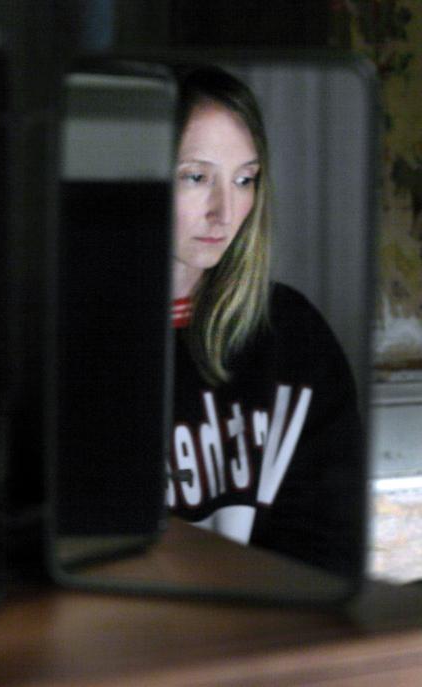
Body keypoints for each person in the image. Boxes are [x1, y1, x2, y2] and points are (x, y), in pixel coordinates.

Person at [166, 66, 363, 577]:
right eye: (195, 176)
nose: (225, 211)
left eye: (244, 179)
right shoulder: (73, 340)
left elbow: (330, 545)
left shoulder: (294, 337)